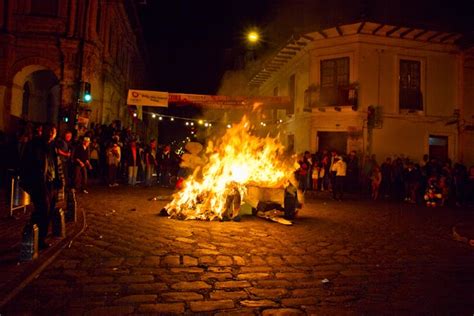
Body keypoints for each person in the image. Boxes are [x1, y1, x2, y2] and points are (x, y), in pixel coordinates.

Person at [19, 124, 64, 249]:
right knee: (42, 210)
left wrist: (59, 181)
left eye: (53, 132)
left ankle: (40, 236)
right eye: (49, 131)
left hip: (51, 183)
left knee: (48, 211)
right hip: (39, 184)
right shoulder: (34, 145)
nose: (51, 134)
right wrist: (31, 182)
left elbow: (55, 164)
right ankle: (34, 237)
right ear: (43, 131)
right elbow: (27, 164)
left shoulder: (53, 147)